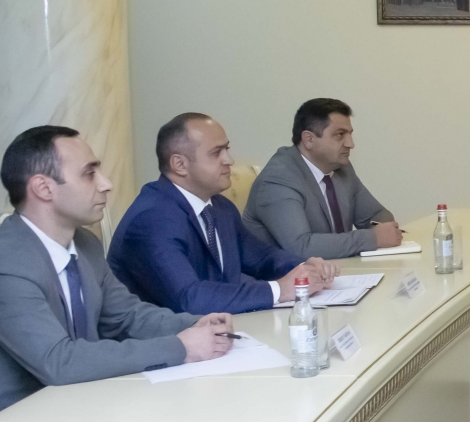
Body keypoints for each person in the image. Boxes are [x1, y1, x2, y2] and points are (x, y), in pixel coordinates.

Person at [0, 126, 233, 422]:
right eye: (89, 173)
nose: (106, 184)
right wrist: (180, 347)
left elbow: (126, 317)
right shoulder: (3, 265)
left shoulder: (85, 244)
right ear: (43, 188)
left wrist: (195, 324)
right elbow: (60, 362)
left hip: (68, 410)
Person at [109, 113, 334, 315]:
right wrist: (279, 289)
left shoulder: (220, 207)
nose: (229, 160)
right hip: (167, 341)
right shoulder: (152, 219)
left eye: (226, 149)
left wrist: (303, 267)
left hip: (220, 331)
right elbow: (190, 299)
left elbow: (262, 258)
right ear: (179, 164)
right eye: (216, 153)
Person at [246, 98, 402, 258]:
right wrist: (372, 238)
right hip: (285, 272)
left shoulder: (341, 168)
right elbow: (301, 248)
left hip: (337, 268)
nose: (350, 144)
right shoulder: (278, 180)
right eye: (340, 135)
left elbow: (377, 215)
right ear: (309, 139)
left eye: (350, 134)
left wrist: (380, 230)